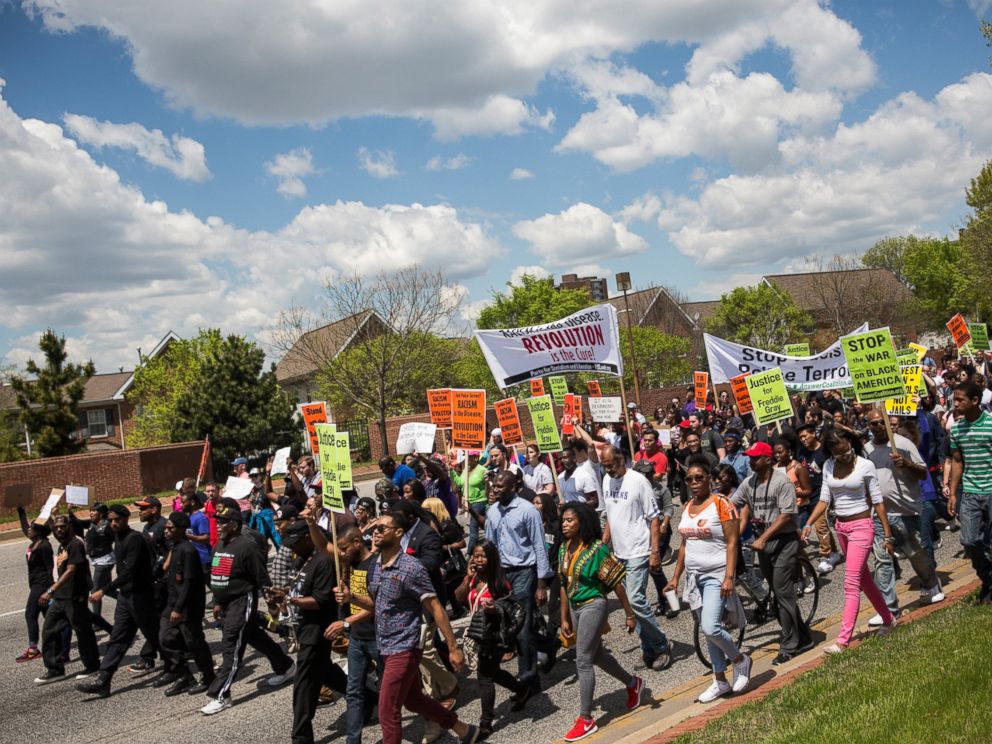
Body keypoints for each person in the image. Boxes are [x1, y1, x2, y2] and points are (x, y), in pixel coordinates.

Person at [334, 510, 480, 744]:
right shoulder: (376, 566)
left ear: (398, 533)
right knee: (412, 700)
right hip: (385, 646)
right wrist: (352, 598)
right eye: (375, 529)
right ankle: (464, 730)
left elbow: (436, 608)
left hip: (405, 647)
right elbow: (376, 603)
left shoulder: (411, 568)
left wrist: (453, 647)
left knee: (387, 709)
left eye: (382, 528)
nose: (376, 532)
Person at [802, 428, 896, 653]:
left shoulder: (865, 465)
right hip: (841, 528)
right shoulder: (829, 466)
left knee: (851, 582)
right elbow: (825, 499)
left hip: (862, 527)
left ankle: (843, 641)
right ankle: (888, 618)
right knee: (864, 580)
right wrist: (808, 524)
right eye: (837, 451)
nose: (843, 454)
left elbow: (878, 501)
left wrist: (887, 534)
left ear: (851, 443)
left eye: (845, 448)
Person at [666, 457, 751, 702]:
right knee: (709, 631)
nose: (693, 482)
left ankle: (740, 660)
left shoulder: (722, 504)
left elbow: (733, 541)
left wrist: (729, 577)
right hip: (695, 577)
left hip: (717, 575)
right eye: (689, 479)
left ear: (709, 480)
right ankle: (720, 680)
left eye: (699, 478)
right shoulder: (687, 506)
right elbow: (684, 544)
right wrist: (675, 577)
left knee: (711, 627)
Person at [558, 503, 643, 742]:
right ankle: (633, 682)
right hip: (575, 607)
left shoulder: (597, 550)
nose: (564, 524)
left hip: (594, 605)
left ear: (581, 523)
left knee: (583, 660)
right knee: (595, 656)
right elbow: (564, 585)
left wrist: (629, 614)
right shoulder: (564, 548)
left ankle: (586, 719)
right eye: (563, 520)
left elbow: (617, 582)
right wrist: (563, 617)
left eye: (569, 521)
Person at [199, 503, 296, 715]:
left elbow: (261, 577)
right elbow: (218, 576)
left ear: (234, 525)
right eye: (217, 522)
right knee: (253, 635)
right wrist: (217, 601)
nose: (219, 526)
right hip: (226, 604)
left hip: (242, 601)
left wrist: (271, 602)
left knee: (231, 644)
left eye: (222, 523)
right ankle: (286, 667)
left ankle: (220, 694)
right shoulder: (220, 545)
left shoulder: (246, 546)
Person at [731, 442, 813, 665]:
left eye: (756, 457)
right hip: (763, 544)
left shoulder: (782, 482)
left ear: (768, 460)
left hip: (784, 541)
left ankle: (789, 646)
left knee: (782, 592)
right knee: (778, 592)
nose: (751, 461)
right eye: (750, 457)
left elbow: (787, 515)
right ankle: (804, 638)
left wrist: (763, 538)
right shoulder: (749, 483)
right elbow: (731, 505)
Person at [864, 410, 944, 626]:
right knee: (882, 560)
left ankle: (931, 584)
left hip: (905, 511)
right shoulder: (866, 450)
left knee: (915, 553)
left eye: (882, 422)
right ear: (868, 426)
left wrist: (906, 464)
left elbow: (922, 473)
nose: (879, 426)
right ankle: (889, 608)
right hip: (880, 513)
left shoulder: (902, 443)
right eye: (874, 423)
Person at [77, 504, 162, 698]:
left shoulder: (134, 539)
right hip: (125, 597)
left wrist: (103, 590)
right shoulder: (117, 537)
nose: (114, 523)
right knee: (118, 638)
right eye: (111, 520)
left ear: (126, 519)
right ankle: (103, 680)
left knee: (155, 635)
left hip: (140, 596)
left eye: (118, 520)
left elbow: (130, 571)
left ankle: (180, 668)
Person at [599, 446, 672, 671]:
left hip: (639, 550)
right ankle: (647, 648)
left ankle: (661, 644)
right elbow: (611, 515)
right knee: (630, 603)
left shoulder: (639, 481)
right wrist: (604, 545)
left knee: (636, 598)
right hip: (618, 552)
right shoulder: (606, 480)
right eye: (605, 466)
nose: (608, 470)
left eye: (611, 465)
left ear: (622, 460)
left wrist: (655, 552)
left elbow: (653, 519)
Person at [485, 470, 553, 696]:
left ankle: (529, 680)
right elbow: (490, 547)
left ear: (513, 487)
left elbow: (539, 547)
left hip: (525, 572)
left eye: (501, 486)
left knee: (523, 630)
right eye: (494, 485)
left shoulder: (528, 511)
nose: (495, 489)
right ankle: (550, 645)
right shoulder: (492, 512)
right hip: (502, 575)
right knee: (509, 627)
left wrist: (542, 584)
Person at [269, 519, 337, 744]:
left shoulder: (324, 561)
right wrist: (283, 592)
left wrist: (290, 599)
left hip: (317, 629)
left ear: (308, 537)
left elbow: (320, 599)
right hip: (302, 627)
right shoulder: (301, 559)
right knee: (325, 672)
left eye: (295, 542)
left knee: (303, 684)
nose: (291, 547)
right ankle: (368, 698)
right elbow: (299, 587)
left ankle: (301, 737)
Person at [453, 539, 529, 740]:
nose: (478, 560)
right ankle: (522, 690)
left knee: (484, 678)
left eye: (482, 556)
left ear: (491, 558)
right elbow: (459, 598)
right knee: (492, 673)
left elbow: (511, 609)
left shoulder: (499, 583)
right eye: (475, 555)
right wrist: (466, 579)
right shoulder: (474, 577)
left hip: (494, 635)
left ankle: (485, 723)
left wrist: (496, 610)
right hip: (478, 633)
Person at [325, 525, 379, 744]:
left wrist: (345, 621)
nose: (342, 553)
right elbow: (322, 545)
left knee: (392, 693)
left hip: (377, 637)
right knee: (354, 692)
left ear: (358, 542)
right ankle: (353, 741)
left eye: (345, 548)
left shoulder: (375, 565)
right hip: (357, 639)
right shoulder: (349, 564)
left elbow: (375, 605)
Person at [34, 515, 101, 683]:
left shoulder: (75, 544)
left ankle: (92, 665)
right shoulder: (63, 544)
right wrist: (49, 514)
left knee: (82, 631)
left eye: (62, 527)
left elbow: (71, 570)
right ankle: (55, 668)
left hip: (74, 596)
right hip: (60, 597)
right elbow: (53, 529)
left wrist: (50, 590)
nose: (59, 530)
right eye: (56, 528)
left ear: (70, 526)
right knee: (49, 630)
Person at [156, 511, 214, 696]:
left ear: (181, 530)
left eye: (170, 528)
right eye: (166, 527)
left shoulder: (188, 551)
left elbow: (189, 582)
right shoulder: (175, 548)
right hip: (172, 603)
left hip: (188, 606)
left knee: (194, 642)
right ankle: (183, 675)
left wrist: (179, 608)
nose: (166, 531)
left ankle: (208, 676)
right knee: (165, 638)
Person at [946, 381, 992, 603]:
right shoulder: (956, 428)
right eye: (954, 400)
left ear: (975, 401)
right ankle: (988, 580)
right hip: (971, 491)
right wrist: (953, 493)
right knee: (970, 540)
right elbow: (957, 461)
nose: (955, 404)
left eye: (960, 400)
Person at [796, 423, 841, 573]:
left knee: (820, 525)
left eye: (805, 436)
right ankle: (834, 552)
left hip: (823, 494)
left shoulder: (824, 452)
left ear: (813, 433)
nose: (803, 439)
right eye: (800, 437)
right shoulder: (801, 452)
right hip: (807, 494)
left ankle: (825, 557)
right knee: (822, 526)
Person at [66, 501, 115, 633]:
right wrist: (70, 512)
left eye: (94, 511)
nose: (91, 513)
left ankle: (97, 621)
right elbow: (78, 523)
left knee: (94, 591)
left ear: (102, 513)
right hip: (97, 560)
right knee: (108, 589)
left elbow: (117, 539)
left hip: (105, 561)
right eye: (91, 510)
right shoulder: (93, 524)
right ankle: (127, 599)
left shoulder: (107, 526)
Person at [15, 506, 53, 663]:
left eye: (32, 528)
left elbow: (50, 568)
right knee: (50, 617)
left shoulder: (44, 546)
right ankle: (57, 645)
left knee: (30, 614)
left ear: (39, 531)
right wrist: (21, 513)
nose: (28, 530)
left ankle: (33, 649)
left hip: (41, 585)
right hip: (35, 584)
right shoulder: (35, 542)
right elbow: (25, 529)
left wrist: (50, 590)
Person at [452, 451, 487, 550]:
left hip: (479, 501)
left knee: (473, 528)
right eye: (467, 457)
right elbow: (460, 482)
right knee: (482, 527)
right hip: (468, 502)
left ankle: (469, 551)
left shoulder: (482, 470)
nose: (468, 459)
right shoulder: (466, 470)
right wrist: (452, 472)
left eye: (470, 457)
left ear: (476, 458)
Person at [560, 443, 600, 507]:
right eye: (560, 458)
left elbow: (594, 502)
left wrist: (576, 507)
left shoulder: (584, 476)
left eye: (565, 458)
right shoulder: (560, 477)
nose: (562, 460)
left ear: (574, 458)